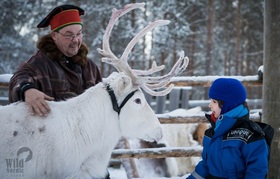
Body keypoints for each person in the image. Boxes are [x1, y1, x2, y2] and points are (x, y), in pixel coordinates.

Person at [9, 5, 102, 116]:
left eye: (79, 34)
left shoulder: (90, 67)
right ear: (54, 35)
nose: (76, 40)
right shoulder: (40, 63)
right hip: (52, 131)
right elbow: (19, 78)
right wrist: (26, 90)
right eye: (69, 35)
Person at [188, 78, 269, 179]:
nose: (210, 105)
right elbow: (205, 166)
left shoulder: (250, 135)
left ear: (226, 105)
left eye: (214, 101)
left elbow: (257, 171)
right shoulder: (211, 132)